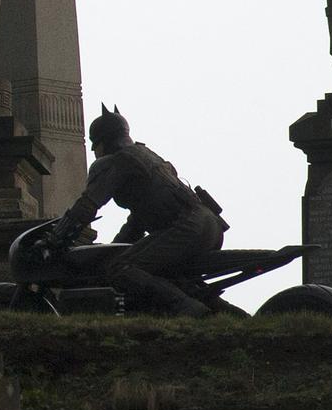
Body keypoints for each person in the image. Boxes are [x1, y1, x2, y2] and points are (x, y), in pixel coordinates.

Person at [48, 104, 226, 317]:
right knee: (180, 281)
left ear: (103, 143)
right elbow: (137, 223)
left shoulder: (117, 162)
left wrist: (57, 236)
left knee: (121, 269)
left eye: (95, 147)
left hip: (188, 228)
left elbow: (88, 205)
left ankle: (189, 310)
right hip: (207, 224)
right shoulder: (146, 155)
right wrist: (111, 248)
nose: (95, 152)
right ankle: (226, 316)